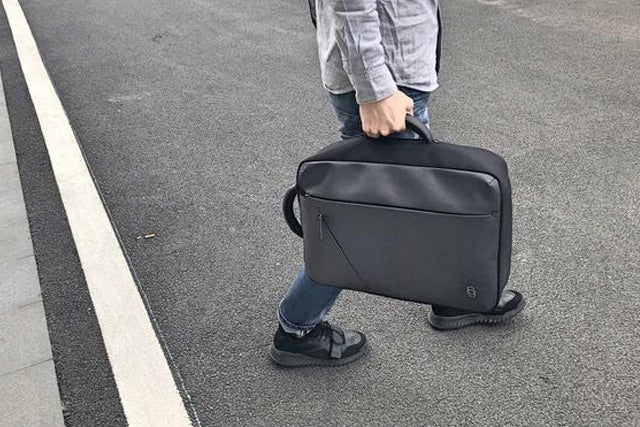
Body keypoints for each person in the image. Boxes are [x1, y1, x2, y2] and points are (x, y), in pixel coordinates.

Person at [270, 0, 525, 367]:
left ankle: (454, 294)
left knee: (418, 201)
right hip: (386, 80)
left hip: (393, 71)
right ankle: (297, 327)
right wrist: (374, 90)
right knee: (363, 215)